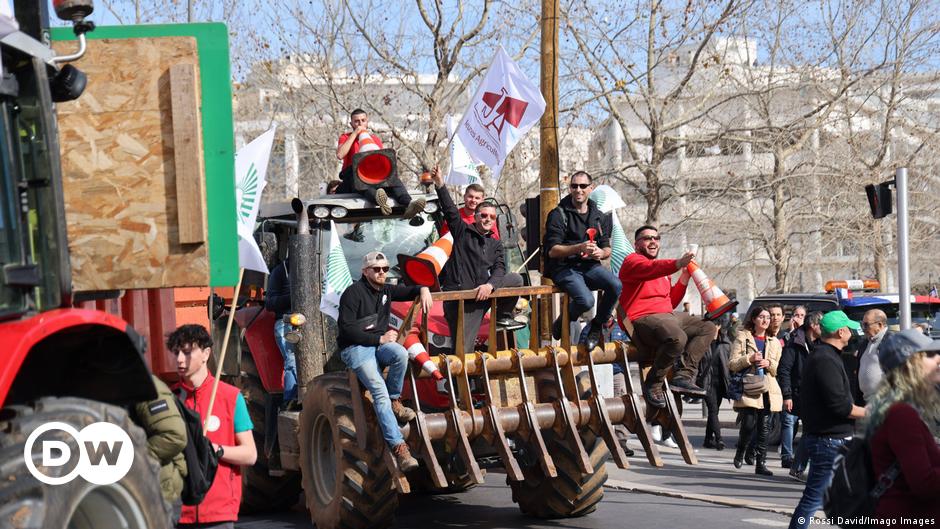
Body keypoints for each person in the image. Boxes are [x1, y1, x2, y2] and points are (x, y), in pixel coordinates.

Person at [337, 251, 433, 471]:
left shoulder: (386, 290)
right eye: (376, 269)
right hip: (356, 348)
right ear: (365, 271)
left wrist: (423, 289)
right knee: (377, 389)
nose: (382, 273)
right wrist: (378, 338)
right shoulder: (353, 293)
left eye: (385, 269)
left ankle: (394, 400)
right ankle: (399, 447)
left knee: (400, 354)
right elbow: (347, 329)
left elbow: (409, 290)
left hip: (377, 346)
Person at [171, 324, 258, 528]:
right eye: (176, 353)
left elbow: (250, 454)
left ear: (206, 354)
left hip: (219, 513)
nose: (179, 359)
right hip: (178, 513)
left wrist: (216, 450)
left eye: (186, 352)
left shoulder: (230, 397)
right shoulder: (169, 400)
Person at [619, 225, 715, 408]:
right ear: (636, 244)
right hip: (642, 317)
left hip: (666, 316)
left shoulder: (662, 271)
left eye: (656, 238)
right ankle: (653, 383)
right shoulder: (632, 261)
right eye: (647, 238)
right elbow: (651, 268)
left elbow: (670, 301)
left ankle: (683, 376)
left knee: (707, 327)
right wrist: (677, 264)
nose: (653, 241)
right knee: (677, 337)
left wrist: (684, 277)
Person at [429, 167, 523, 352]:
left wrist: (489, 286)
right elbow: (449, 209)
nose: (488, 219)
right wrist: (440, 184)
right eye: (484, 215)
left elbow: (499, 270)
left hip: (484, 293)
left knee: (516, 280)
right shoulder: (462, 231)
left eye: (492, 217)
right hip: (463, 299)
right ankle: (460, 381)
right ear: (476, 217)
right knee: (464, 351)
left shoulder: (494, 243)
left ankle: (502, 315)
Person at [789, 310, 866, 529]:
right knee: (813, 499)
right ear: (841, 331)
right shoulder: (825, 359)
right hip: (830, 441)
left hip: (832, 439)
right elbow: (839, 405)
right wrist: (869, 412)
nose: (851, 332)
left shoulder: (826, 355)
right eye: (848, 328)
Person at [864, 329, 940, 522]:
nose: (938, 359)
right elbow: (923, 483)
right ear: (911, 365)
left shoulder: (901, 409)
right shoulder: (901, 414)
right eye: (930, 355)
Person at [543, 171, 621, 351]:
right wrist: (579, 247)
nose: (578, 190)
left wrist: (600, 253)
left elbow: (607, 247)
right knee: (586, 301)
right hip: (564, 268)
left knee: (615, 285)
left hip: (590, 266)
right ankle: (562, 321)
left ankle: (596, 326)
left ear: (590, 189)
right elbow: (553, 251)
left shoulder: (599, 215)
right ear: (570, 188)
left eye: (583, 186)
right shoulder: (558, 214)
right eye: (574, 186)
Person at [335, 108, 425, 218]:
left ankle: (409, 203)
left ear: (367, 121)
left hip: (373, 173)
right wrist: (355, 133)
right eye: (357, 121)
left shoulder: (374, 139)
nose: (360, 124)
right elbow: (340, 154)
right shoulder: (345, 137)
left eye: (363, 120)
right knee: (362, 185)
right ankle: (379, 199)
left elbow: (382, 160)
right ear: (351, 123)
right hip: (353, 175)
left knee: (395, 181)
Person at [729, 305, 783, 476]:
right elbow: (732, 364)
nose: (766, 320)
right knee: (749, 424)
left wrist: (770, 364)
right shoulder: (743, 337)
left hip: (768, 388)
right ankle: (741, 450)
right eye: (762, 317)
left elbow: (777, 368)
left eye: (768, 317)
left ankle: (761, 463)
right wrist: (749, 359)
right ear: (753, 319)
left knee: (764, 427)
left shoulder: (774, 341)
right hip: (750, 386)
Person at [132, 375, 187, 524]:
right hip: (133, 493)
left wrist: (128, 462)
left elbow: (173, 436)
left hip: (158, 495)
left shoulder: (143, 385)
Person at [778, 311, 822, 474]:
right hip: (795, 392)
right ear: (813, 326)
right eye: (821, 325)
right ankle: (788, 458)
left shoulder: (821, 343)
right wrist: (787, 395)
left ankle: (798, 466)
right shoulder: (795, 342)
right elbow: (785, 370)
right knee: (790, 422)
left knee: (810, 429)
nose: (823, 328)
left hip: (812, 395)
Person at [265, 257, 298, 409]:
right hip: (286, 323)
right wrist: (295, 297)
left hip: (315, 322)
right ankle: (290, 401)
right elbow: (270, 303)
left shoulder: (320, 268)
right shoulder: (280, 272)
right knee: (293, 359)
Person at [701, 316, 732, 450]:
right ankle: (719, 439)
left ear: (719, 326)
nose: (712, 327)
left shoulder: (726, 343)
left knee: (715, 411)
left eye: (715, 324)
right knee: (713, 410)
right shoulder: (701, 341)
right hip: (707, 382)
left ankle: (708, 439)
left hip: (721, 382)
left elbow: (730, 363)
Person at [857, 309, 889, 403]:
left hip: (884, 404)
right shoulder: (865, 343)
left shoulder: (891, 341)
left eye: (866, 325)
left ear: (879, 325)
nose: (863, 329)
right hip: (866, 403)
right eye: (862, 325)